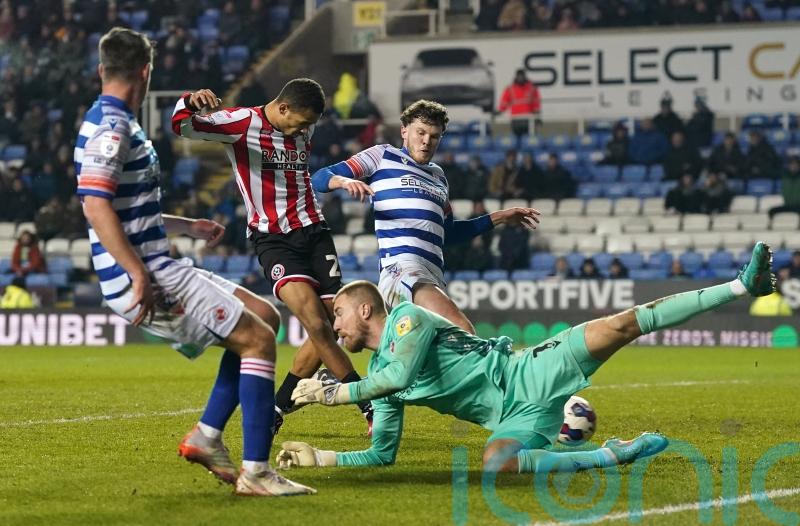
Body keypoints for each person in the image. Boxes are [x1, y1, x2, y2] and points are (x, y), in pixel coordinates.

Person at [276, 243, 775, 474]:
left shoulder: (407, 318)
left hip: (530, 368)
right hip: (517, 414)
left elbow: (400, 372)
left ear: (366, 309)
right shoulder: (382, 383)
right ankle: (615, 453)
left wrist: (337, 392)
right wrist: (321, 458)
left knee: (622, 323)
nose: (332, 327)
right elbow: (382, 454)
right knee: (498, 464)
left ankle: (738, 284)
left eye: (336, 314)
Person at [77, 27, 313, 496]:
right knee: (259, 340)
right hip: (147, 274)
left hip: (159, 262)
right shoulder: (113, 126)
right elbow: (95, 205)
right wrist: (138, 273)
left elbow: (127, 208)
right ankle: (256, 473)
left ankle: (206, 437)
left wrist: (189, 226)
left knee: (264, 315)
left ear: (102, 70)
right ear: (146, 71)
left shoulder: (114, 119)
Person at [171, 79, 374, 434]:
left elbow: (302, 171)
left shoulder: (301, 128)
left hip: (315, 231)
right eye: (298, 122)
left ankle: (278, 408)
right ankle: (369, 406)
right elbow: (181, 126)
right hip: (274, 240)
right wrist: (190, 99)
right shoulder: (241, 124)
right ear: (282, 108)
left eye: (308, 126)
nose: (302, 130)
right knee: (315, 324)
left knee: (331, 326)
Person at [310, 100, 540, 333]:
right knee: (461, 329)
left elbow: (448, 234)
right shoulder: (382, 156)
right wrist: (343, 180)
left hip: (432, 276)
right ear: (404, 130)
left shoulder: (439, 177)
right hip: (402, 270)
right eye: (420, 132)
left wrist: (499, 217)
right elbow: (320, 177)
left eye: (434, 136)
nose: (426, 141)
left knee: (428, 359)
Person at [498, 69, 541, 138]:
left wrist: (537, 117)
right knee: (516, 140)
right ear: (516, 77)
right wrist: (499, 111)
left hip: (529, 119)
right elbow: (504, 103)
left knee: (530, 140)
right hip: (516, 119)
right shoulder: (510, 89)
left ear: (525, 77)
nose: (520, 78)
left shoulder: (532, 88)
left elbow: (536, 104)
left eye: (522, 76)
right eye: (519, 76)